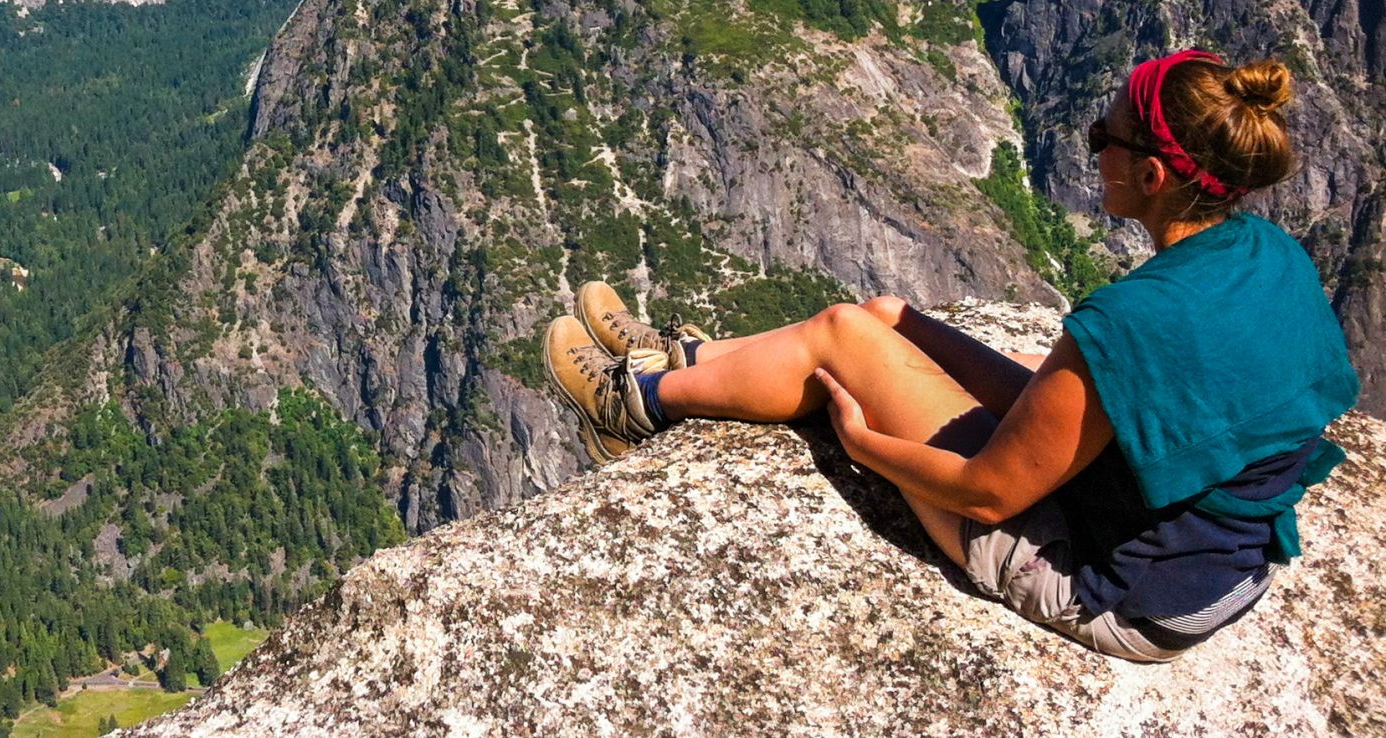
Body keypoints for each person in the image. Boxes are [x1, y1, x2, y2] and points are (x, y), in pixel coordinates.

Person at [542, 50, 1360, 660]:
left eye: (1100, 134)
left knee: (841, 339)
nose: (1091, 148)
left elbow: (994, 492)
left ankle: (636, 404)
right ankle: (681, 358)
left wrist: (864, 447)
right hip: (1206, 569)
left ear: (1149, 174)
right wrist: (920, 328)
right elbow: (1070, 411)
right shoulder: (1267, 258)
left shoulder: (1132, 321)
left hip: (1116, 592)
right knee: (876, 321)